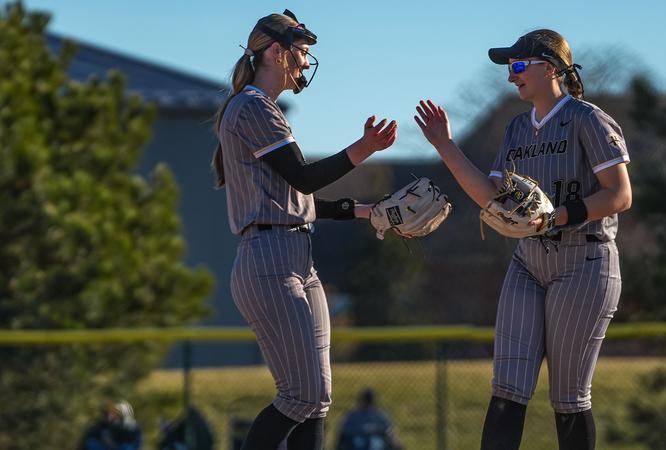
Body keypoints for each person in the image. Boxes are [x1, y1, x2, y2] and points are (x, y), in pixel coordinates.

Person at [414, 29, 632, 450]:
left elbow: (620, 195)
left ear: (549, 68)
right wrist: (445, 145)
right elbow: (491, 196)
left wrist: (557, 217)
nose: (511, 76)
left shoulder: (588, 119)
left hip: (584, 262)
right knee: (506, 391)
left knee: (568, 398)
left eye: (517, 66)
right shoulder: (515, 128)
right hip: (528, 262)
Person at [211, 10, 397, 450]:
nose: (305, 62)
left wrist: (364, 210)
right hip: (269, 260)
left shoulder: (264, 108)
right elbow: (304, 178)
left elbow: (299, 202)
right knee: (301, 395)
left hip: (294, 257)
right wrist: (363, 149)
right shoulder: (252, 105)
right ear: (276, 52)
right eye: (301, 52)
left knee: (316, 401)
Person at [336, 388, 403, 450]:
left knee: (376, 442)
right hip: (357, 443)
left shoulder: (379, 415)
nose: (367, 404)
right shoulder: (353, 416)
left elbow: (390, 434)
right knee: (359, 442)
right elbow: (344, 433)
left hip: (376, 444)